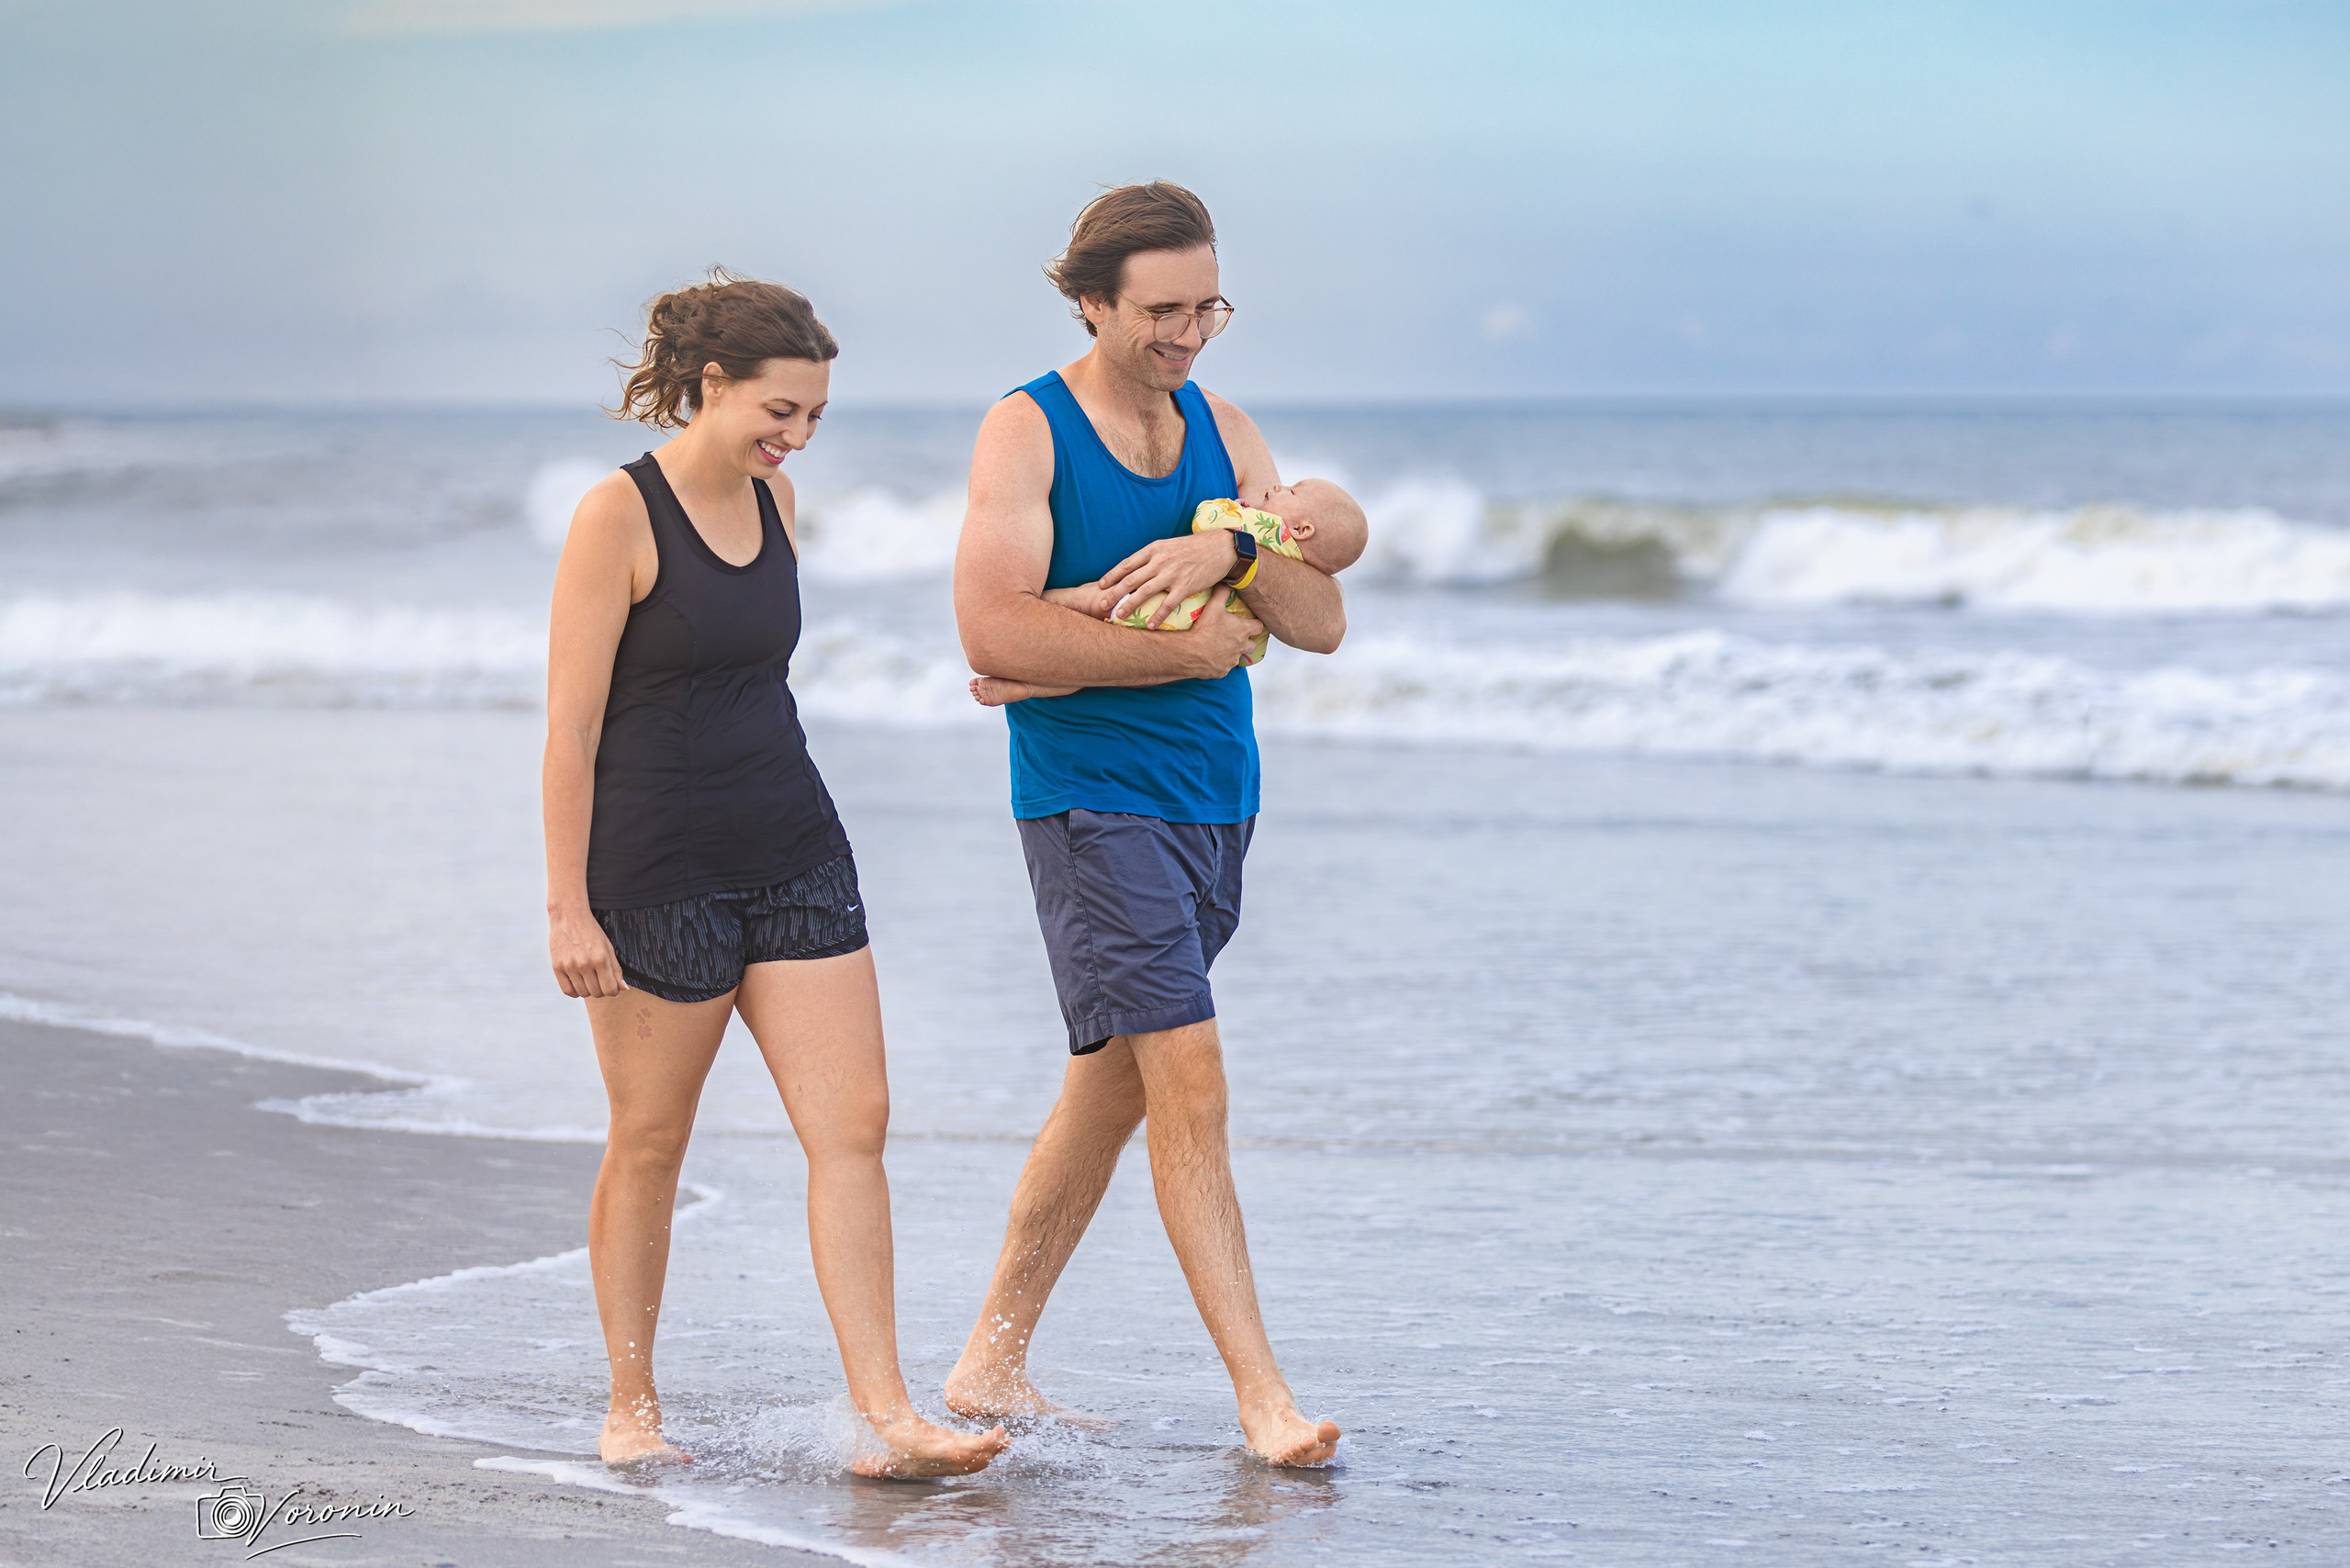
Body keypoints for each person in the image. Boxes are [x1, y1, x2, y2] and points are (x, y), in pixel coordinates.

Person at [541, 271, 1007, 1478]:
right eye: (779, 411)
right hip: (657, 874)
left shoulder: (779, 502)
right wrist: (566, 905)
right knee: (652, 1138)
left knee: (853, 1127)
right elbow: (570, 728)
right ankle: (630, 1408)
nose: (794, 437)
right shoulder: (617, 517)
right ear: (710, 386)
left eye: (812, 418)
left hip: (795, 847)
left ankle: (886, 1415)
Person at [946, 183, 1352, 1466]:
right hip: (1090, 805)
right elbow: (993, 634)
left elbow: (1320, 617)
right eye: (1163, 312)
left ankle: (989, 1361)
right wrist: (1172, 653)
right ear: (1092, 302)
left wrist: (1224, 555)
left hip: (1217, 804)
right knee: (1189, 1082)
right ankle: (1265, 1401)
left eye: (1208, 306)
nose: (1190, 334)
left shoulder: (1220, 431)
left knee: (1109, 1094)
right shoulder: (1026, 431)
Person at [969, 479, 1369, 705]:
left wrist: (1233, 549)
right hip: (1092, 789)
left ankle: (1057, 608)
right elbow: (994, 634)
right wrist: (1195, 653)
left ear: (1303, 529)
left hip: (1164, 611)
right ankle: (1026, 687)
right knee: (1082, 677)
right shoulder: (1292, 554)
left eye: (1292, 492)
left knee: (1100, 600)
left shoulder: (1262, 523)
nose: (1277, 486)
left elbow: (1208, 518)